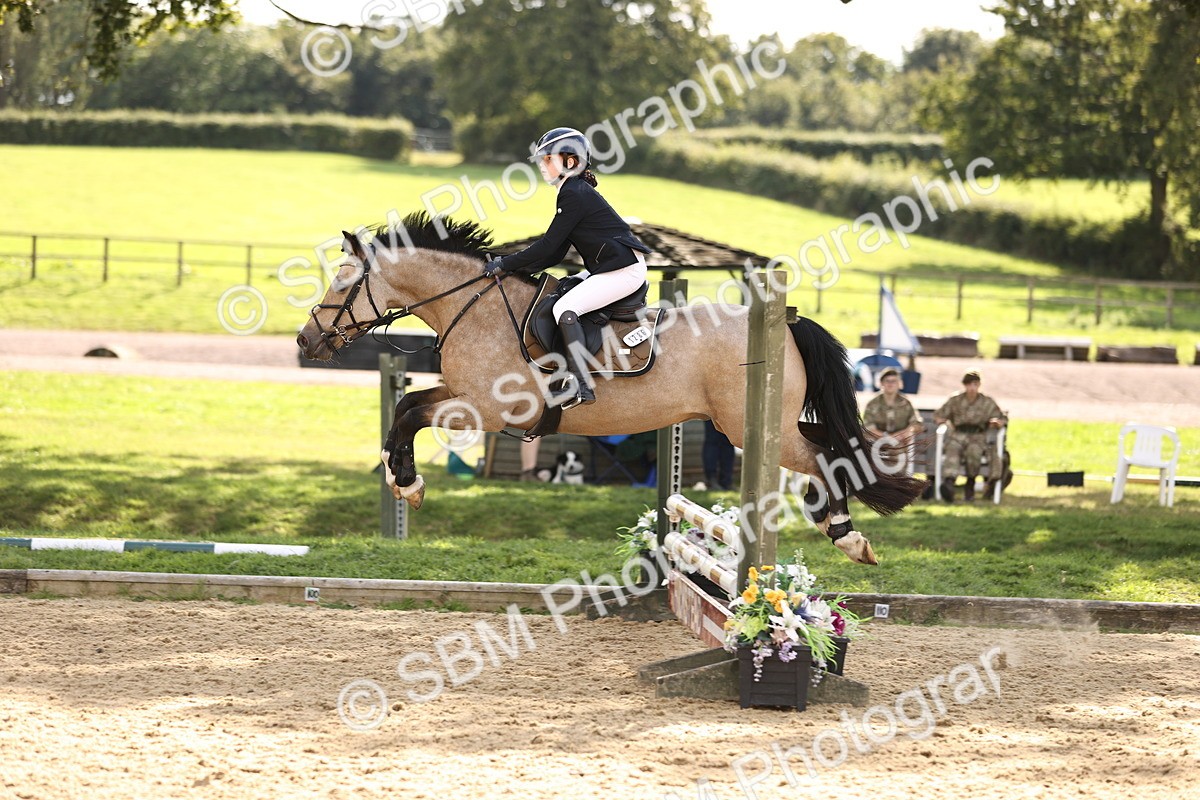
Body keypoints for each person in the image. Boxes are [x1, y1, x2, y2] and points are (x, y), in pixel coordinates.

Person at [484, 127, 652, 409]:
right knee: (564, 289)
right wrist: (516, 270)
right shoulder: (572, 191)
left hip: (623, 270)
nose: (542, 165)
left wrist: (504, 264)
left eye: (548, 158)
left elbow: (548, 245)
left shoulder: (573, 193)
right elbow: (556, 252)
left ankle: (580, 385)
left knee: (565, 308)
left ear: (571, 162)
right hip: (610, 267)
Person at [934, 370, 1007, 502]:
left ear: (979, 385)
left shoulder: (986, 402)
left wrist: (997, 422)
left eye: (975, 384)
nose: (972, 388)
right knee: (952, 449)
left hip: (977, 436)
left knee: (974, 451)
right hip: (958, 434)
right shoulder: (955, 400)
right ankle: (949, 483)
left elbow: (1002, 418)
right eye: (969, 384)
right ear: (964, 385)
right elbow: (939, 414)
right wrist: (941, 420)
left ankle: (970, 483)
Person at [863, 367, 924, 443]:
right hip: (877, 444)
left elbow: (917, 424)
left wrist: (905, 432)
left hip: (900, 444)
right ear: (881, 383)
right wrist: (888, 438)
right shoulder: (872, 404)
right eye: (887, 381)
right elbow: (868, 427)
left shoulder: (906, 403)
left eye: (894, 381)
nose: (890, 384)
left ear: (899, 383)